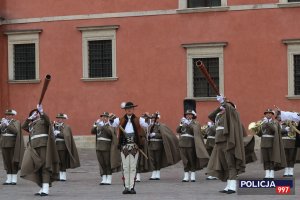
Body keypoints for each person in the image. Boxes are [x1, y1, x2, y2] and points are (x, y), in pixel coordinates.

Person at [206, 96, 246, 194]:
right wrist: (219, 107)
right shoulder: (219, 116)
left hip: (228, 143)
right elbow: (210, 116)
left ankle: (232, 187)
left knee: (231, 164)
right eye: (224, 106)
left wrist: (224, 103)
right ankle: (228, 186)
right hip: (219, 143)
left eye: (227, 106)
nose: (224, 107)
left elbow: (231, 109)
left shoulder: (233, 114)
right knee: (225, 165)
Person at [20, 104, 59, 196]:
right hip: (33, 148)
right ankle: (42, 187)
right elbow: (23, 126)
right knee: (37, 167)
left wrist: (41, 112)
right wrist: (29, 118)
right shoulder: (31, 124)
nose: (35, 114)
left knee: (45, 166)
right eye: (33, 114)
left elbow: (48, 121)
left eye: (36, 113)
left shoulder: (43, 121)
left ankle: (45, 189)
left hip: (43, 146)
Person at [118, 102, 145, 194]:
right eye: (127, 108)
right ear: (125, 110)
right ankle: (126, 187)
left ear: (133, 110)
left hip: (134, 146)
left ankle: (132, 187)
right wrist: (111, 118)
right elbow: (113, 123)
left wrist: (148, 119)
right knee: (125, 167)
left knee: (133, 167)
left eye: (131, 108)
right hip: (124, 146)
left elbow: (146, 124)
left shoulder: (138, 119)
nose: (129, 110)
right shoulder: (121, 120)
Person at [176, 110, 209, 182]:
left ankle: (193, 175)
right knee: (184, 160)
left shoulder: (195, 123)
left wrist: (189, 124)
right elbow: (178, 130)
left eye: (190, 114)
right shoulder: (183, 122)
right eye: (187, 114)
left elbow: (195, 130)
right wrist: (181, 124)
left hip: (190, 144)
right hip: (182, 143)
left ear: (193, 116)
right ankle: (186, 175)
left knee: (191, 160)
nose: (188, 116)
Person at [148, 112, 181, 180]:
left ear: (158, 119)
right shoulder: (150, 126)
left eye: (155, 118)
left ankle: (158, 173)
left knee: (157, 160)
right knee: (152, 160)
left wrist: (155, 134)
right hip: (151, 145)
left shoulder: (161, 126)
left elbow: (164, 135)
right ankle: (153, 173)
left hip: (158, 145)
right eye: (153, 118)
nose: (153, 119)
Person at [91, 112, 121, 185]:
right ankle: (104, 178)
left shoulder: (110, 126)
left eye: (105, 117)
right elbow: (92, 132)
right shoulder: (99, 125)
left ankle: (109, 178)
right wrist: (95, 125)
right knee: (102, 163)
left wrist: (103, 126)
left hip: (106, 147)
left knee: (107, 163)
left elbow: (110, 134)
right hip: (99, 147)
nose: (104, 118)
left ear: (108, 118)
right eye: (103, 117)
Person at [257, 109, 286, 179]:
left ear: (272, 115)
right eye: (267, 113)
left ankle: (271, 174)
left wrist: (268, 124)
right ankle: (267, 174)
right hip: (264, 143)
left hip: (271, 143)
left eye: (270, 113)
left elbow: (275, 130)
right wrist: (257, 129)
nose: (268, 115)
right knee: (265, 159)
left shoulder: (274, 122)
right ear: (265, 115)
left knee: (271, 159)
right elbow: (259, 134)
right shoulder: (261, 122)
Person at [53, 113, 80, 181]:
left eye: (60, 118)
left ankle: (63, 175)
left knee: (62, 161)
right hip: (56, 146)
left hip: (63, 146)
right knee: (57, 161)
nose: (59, 119)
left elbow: (66, 136)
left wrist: (58, 133)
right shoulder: (55, 126)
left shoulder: (66, 126)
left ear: (63, 119)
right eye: (58, 118)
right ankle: (59, 175)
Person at [0, 109, 24, 185]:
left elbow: (16, 131)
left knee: (13, 161)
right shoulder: (3, 122)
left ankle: (14, 179)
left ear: (12, 116)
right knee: (6, 162)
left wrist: (7, 125)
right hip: (4, 144)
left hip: (12, 144)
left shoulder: (16, 122)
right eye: (7, 115)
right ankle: (8, 178)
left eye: (9, 115)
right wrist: (2, 125)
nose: (8, 116)